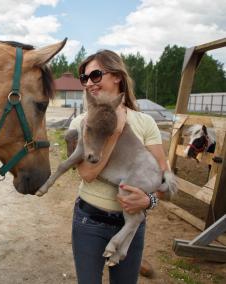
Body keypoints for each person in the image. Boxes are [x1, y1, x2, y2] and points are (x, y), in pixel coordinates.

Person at [67, 49, 168, 284]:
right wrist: (117, 130)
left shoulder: (145, 123)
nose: (89, 83)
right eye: (84, 78)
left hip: (131, 223)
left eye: (95, 75)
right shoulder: (81, 122)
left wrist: (149, 201)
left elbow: (163, 176)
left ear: (117, 76)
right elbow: (87, 174)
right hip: (88, 222)